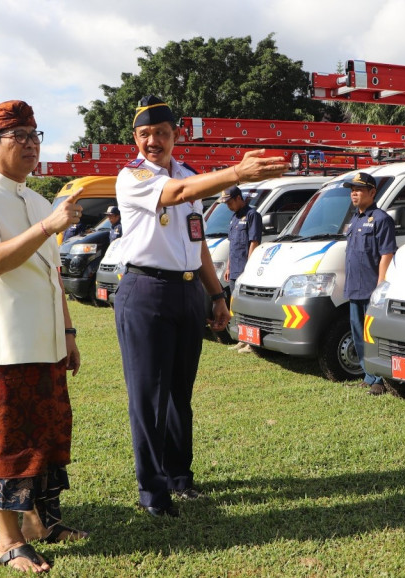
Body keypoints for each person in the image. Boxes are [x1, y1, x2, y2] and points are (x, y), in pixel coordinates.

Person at [114, 95, 287, 517]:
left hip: (187, 291)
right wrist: (237, 171)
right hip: (146, 291)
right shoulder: (132, 177)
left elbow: (199, 244)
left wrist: (216, 295)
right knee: (149, 397)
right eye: (144, 134)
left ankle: (179, 477)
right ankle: (153, 492)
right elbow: (179, 192)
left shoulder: (190, 173)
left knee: (178, 393)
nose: (153, 141)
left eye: (162, 133)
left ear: (177, 135)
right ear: (135, 138)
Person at [0, 100, 87, 573]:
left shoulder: (36, 199)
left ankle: (43, 524)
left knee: (47, 436)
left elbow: (51, 275)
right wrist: (49, 226)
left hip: (46, 340)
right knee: (7, 439)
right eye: (19, 137)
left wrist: (68, 331)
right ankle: (8, 541)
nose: (30, 144)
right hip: (4, 344)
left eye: (35, 135)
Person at [342, 172, 397, 395]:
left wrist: (380, 285)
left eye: (359, 189)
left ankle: (380, 380)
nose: (354, 193)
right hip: (354, 288)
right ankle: (368, 375)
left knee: (373, 336)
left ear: (372, 192)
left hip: (371, 289)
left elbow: (387, 254)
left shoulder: (381, 219)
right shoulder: (355, 219)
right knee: (358, 335)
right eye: (351, 190)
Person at [221, 185, 262, 353]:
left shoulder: (252, 215)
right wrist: (228, 267)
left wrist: (249, 268)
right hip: (234, 269)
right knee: (236, 305)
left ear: (239, 198)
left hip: (245, 269)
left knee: (248, 307)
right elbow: (233, 245)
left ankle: (251, 343)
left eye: (229, 202)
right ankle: (241, 338)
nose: (228, 205)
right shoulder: (234, 217)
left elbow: (254, 242)